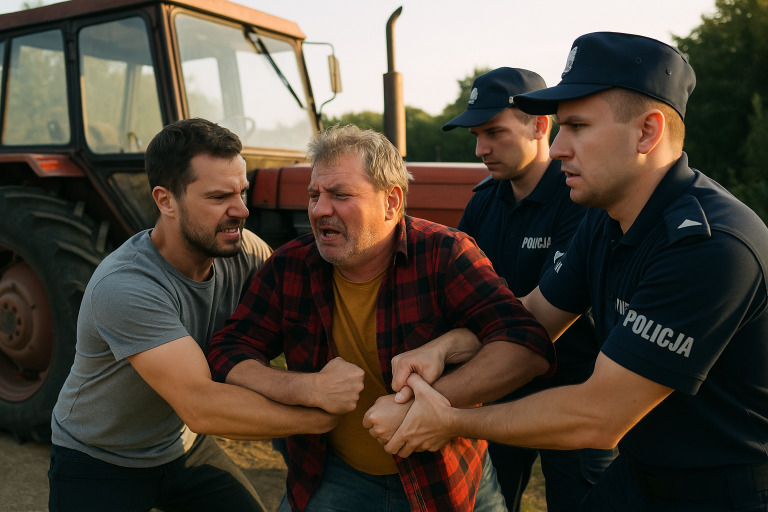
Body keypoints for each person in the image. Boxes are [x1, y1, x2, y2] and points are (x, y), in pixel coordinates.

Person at [379, 32, 768, 512]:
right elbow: (532, 316)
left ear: (647, 132)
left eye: (578, 127)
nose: (559, 148)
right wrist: (443, 347)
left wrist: (449, 418)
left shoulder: (709, 246)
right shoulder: (604, 220)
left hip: (725, 491)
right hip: (642, 472)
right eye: (561, 128)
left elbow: (597, 416)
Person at [206, 124, 556, 512]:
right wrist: (304, 388)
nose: (320, 209)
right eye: (314, 195)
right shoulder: (291, 265)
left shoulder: (446, 254)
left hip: (446, 476)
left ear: (391, 202)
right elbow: (228, 348)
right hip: (331, 474)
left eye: (340, 195)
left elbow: (526, 346)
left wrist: (422, 405)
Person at [48, 118, 340, 512]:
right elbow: (201, 405)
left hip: (181, 447)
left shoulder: (246, 251)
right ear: (166, 200)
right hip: (99, 456)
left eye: (242, 192)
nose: (241, 210)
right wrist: (321, 417)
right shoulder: (126, 286)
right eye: (219, 197)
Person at [442, 66, 615, 511]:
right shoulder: (484, 200)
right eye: (476, 135)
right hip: (499, 387)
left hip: (576, 391)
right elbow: (454, 292)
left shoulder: (582, 198)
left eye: (494, 133)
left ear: (541, 125)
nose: (481, 149)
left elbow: (549, 310)